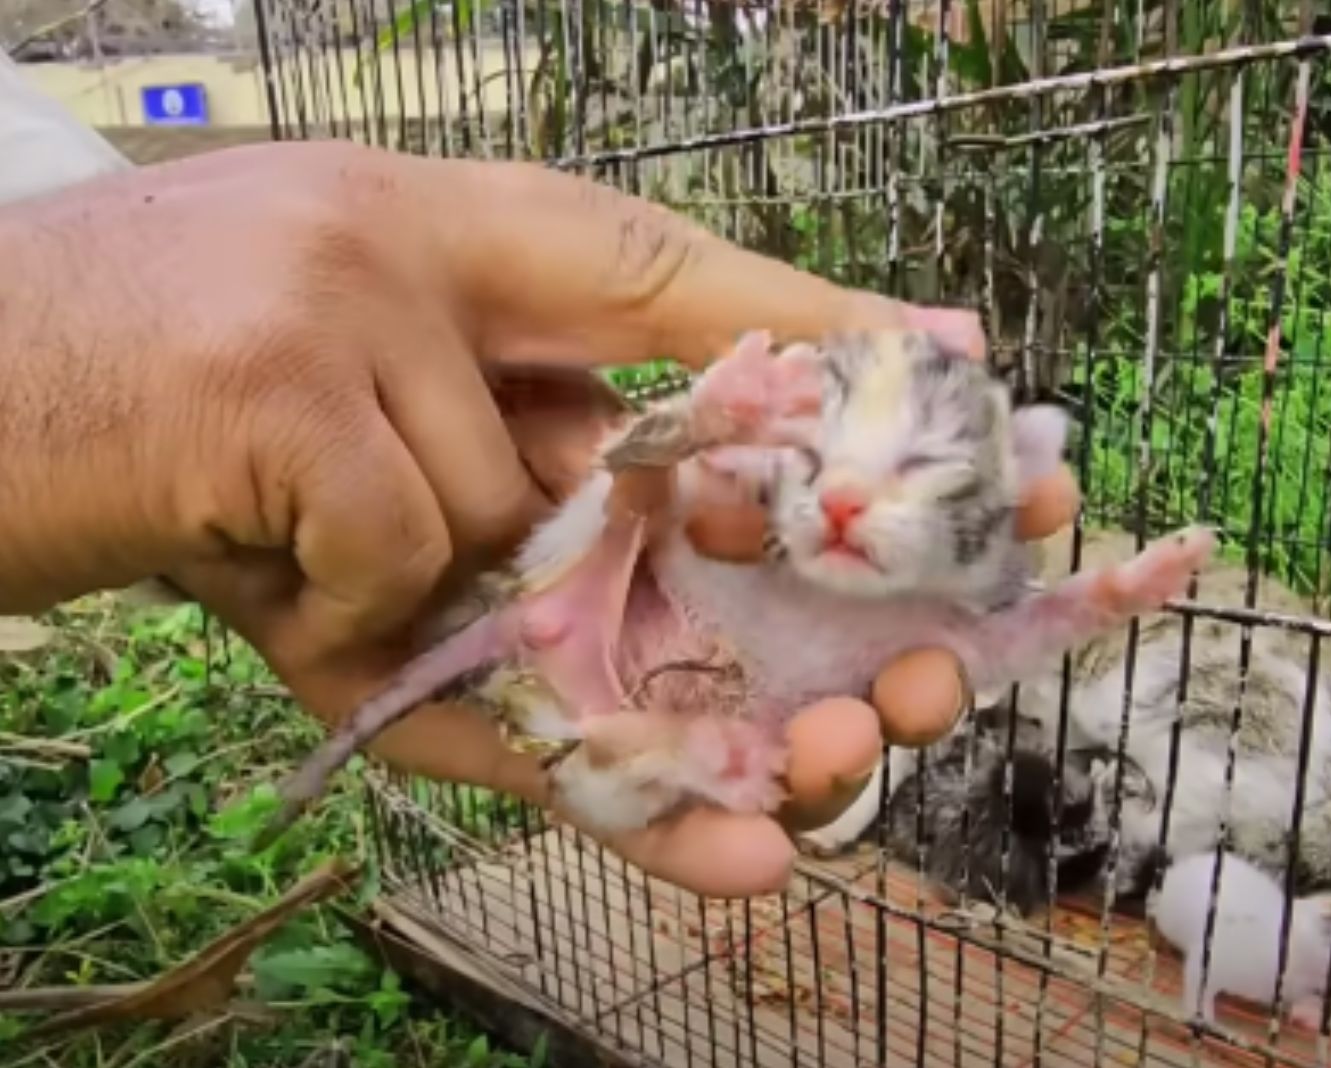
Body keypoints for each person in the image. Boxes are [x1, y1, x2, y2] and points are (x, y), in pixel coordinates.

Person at [0, 130, 1077, 899]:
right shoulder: (745, 461)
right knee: (639, 534)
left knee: (687, 670)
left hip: (633, 638)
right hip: (621, 592)